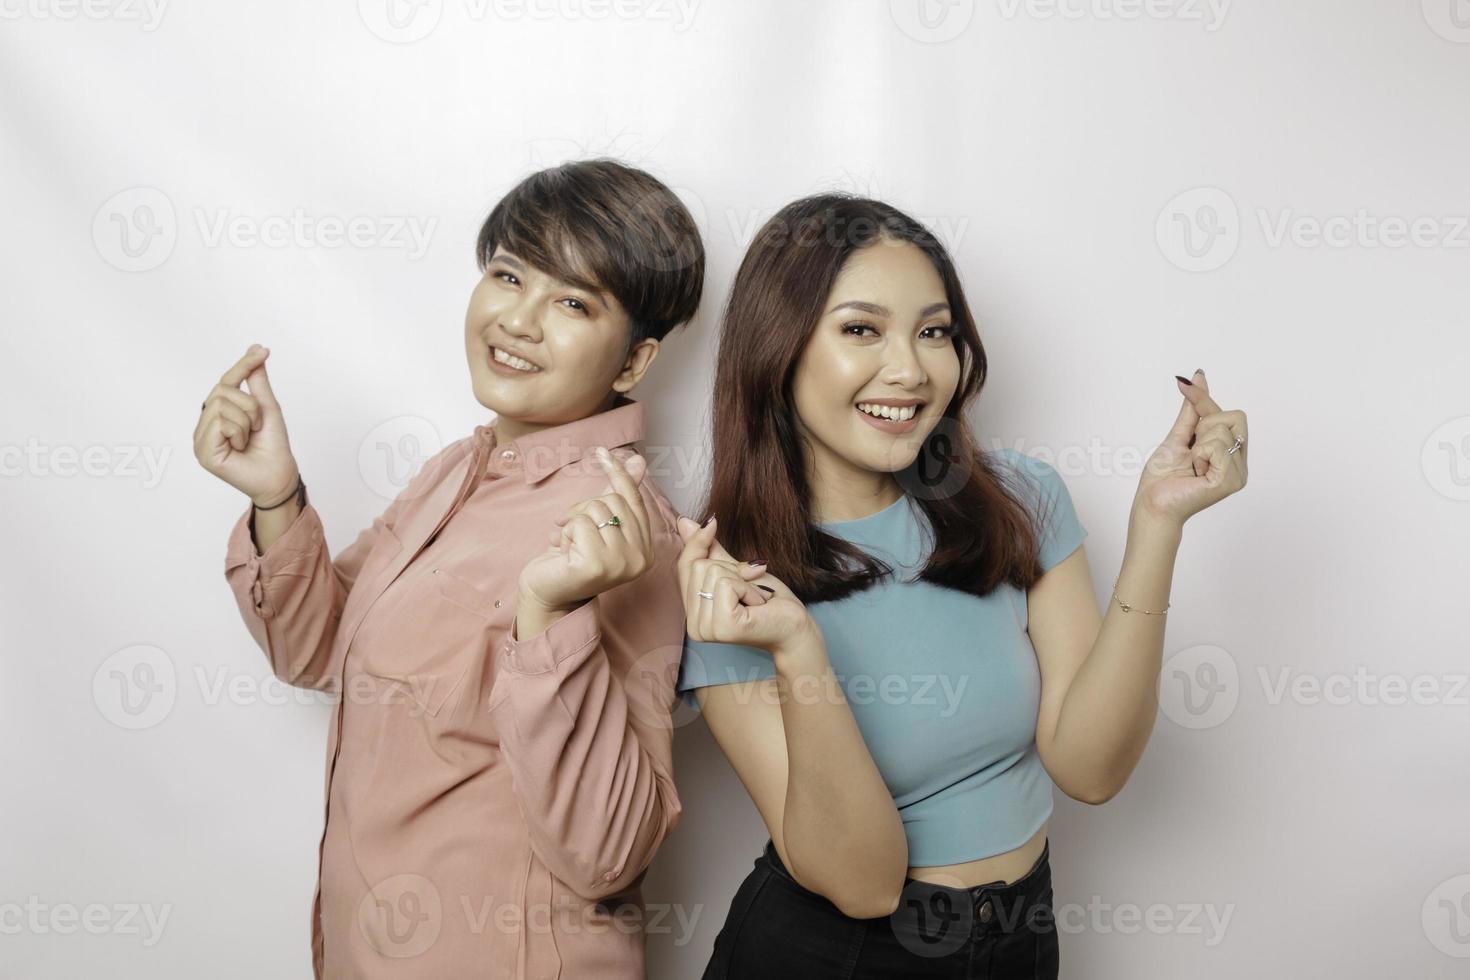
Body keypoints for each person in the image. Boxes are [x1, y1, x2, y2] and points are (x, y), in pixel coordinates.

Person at [673, 194, 1249, 978]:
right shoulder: (728, 581)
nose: (911, 370)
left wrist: (1159, 525)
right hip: (834, 955)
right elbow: (864, 884)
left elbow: (1092, 767)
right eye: (860, 329)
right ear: (780, 348)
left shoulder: (1018, 499)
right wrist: (799, 650)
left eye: (934, 331)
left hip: (1019, 937)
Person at [193, 158, 705, 979]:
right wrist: (277, 496)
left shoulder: (622, 533)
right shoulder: (453, 472)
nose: (520, 320)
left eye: (573, 302)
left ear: (634, 363)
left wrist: (551, 617)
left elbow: (609, 855)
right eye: (509, 275)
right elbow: (317, 652)